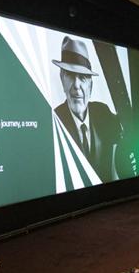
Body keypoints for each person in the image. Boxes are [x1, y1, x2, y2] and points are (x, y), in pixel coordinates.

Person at [52, 36, 122, 182]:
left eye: (83, 77)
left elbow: (115, 170)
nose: (76, 85)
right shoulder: (54, 121)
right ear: (62, 78)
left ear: (90, 85)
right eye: (70, 75)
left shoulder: (105, 114)